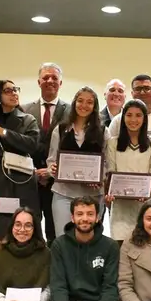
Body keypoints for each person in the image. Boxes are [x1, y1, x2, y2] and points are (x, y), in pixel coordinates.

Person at [0, 80, 42, 237]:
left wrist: (3, 133)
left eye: (15, 90)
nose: (14, 93)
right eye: (8, 91)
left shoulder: (28, 119)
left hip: (22, 185)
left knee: (23, 232)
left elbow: (32, 145)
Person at [47, 87, 109, 237]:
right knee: (63, 238)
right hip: (64, 194)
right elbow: (51, 160)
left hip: (93, 196)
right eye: (80, 101)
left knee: (90, 239)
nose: (84, 105)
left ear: (94, 107)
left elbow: (107, 162)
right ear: (74, 103)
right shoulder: (61, 129)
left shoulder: (103, 131)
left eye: (89, 102)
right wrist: (52, 168)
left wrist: (100, 177)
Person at [22, 63, 69, 244]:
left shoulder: (71, 111)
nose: (50, 81)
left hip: (58, 182)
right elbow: (18, 145)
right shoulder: (24, 110)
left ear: (61, 83)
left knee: (55, 232)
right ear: (38, 81)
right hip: (28, 179)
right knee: (28, 227)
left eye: (54, 78)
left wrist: (50, 171)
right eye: (46, 77)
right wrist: (33, 171)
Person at [104, 99, 151, 242]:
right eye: (129, 115)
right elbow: (110, 172)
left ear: (144, 119)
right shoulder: (113, 143)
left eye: (138, 115)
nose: (133, 120)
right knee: (121, 249)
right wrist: (111, 192)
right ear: (123, 118)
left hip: (145, 208)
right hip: (120, 210)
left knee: (143, 251)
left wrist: (147, 192)